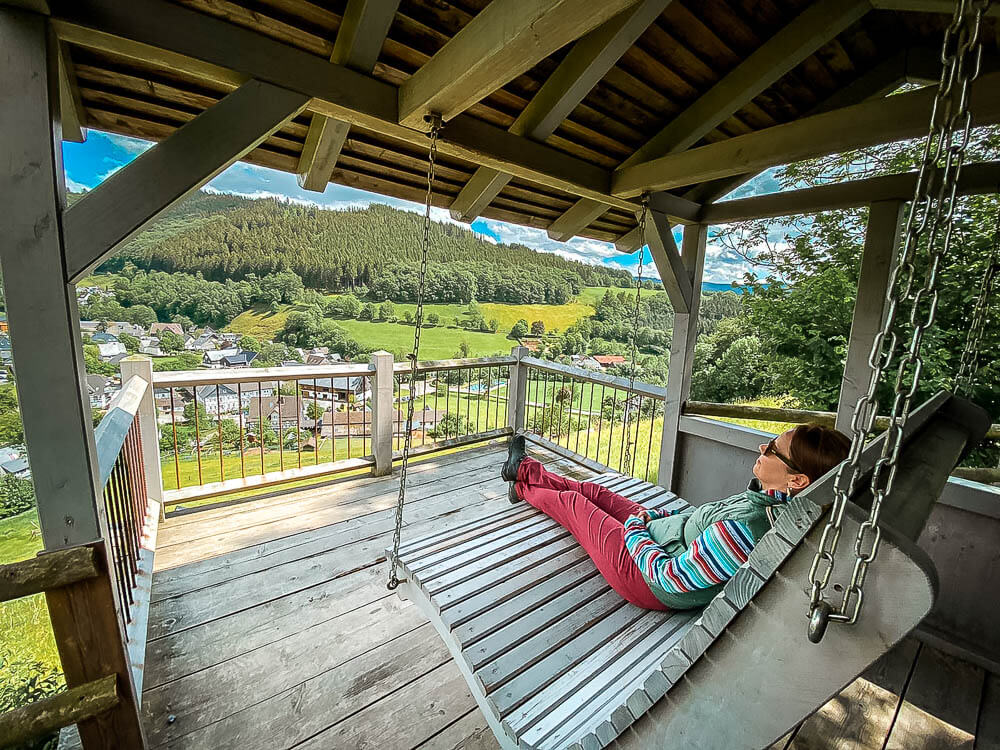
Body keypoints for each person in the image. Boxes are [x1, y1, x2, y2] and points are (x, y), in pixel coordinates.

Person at [501, 425, 850, 611]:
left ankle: (522, 487)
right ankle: (524, 469)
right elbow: (698, 519)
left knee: (575, 505)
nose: (763, 448)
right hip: (661, 538)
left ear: (797, 480)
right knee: (596, 493)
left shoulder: (746, 529)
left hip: (644, 579)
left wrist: (635, 529)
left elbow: (671, 578)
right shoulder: (764, 498)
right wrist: (657, 515)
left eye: (773, 449)